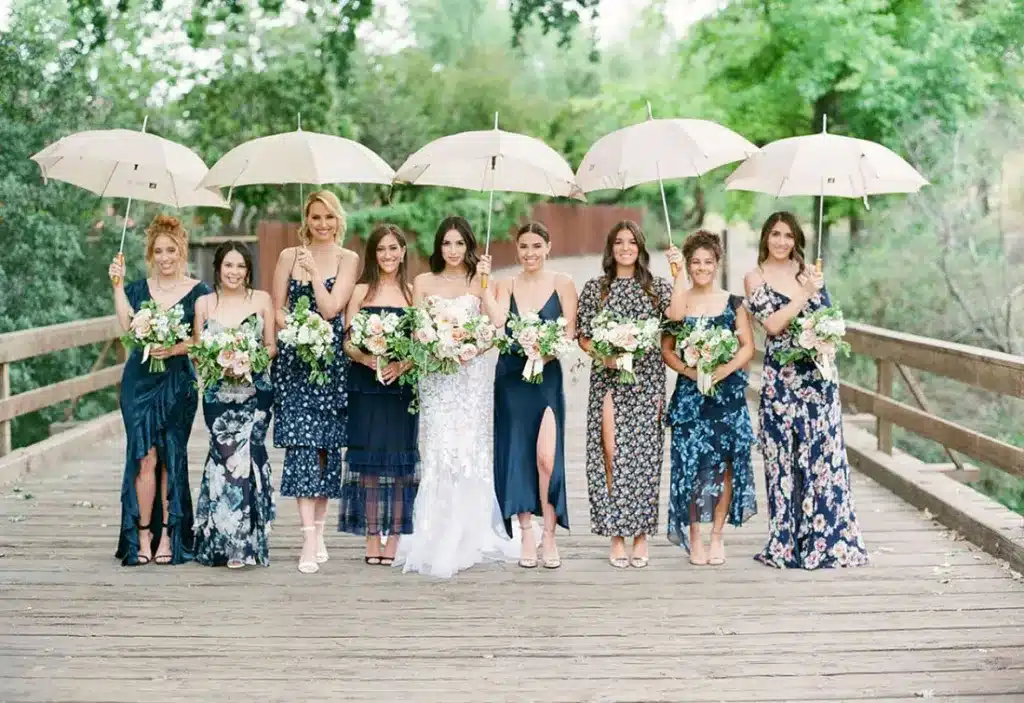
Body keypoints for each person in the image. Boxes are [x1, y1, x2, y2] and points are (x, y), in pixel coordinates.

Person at [743, 211, 868, 569]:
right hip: (782, 381)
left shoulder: (810, 274)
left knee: (822, 460)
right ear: (766, 237)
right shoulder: (755, 278)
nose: (782, 241)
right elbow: (773, 325)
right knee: (782, 460)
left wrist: (824, 334)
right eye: (775, 234)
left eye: (788, 236)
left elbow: (829, 322)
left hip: (819, 380)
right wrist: (804, 294)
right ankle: (786, 542)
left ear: (797, 240)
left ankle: (827, 540)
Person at [395, 216, 516, 577]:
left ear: (469, 246)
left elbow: (496, 325)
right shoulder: (423, 282)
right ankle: (435, 531)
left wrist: (483, 284)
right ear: (438, 246)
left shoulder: (479, 281)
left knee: (468, 450)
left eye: (459, 244)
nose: (452, 250)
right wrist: (437, 346)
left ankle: (472, 531)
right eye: (446, 243)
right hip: (435, 378)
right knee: (438, 449)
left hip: (470, 379)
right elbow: (417, 330)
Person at [108, 215, 211, 566]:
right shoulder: (138, 289)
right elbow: (126, 326)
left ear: (182, 250)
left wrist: (176, 347)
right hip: (139, 382)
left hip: (178, 383)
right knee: (145, 457)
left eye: (171, 250)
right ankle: (142, 534)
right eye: (159, 251)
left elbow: (202, 341)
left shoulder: (200, 291)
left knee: (169, 456)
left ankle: (170, 534)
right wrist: (118, 286)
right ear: (151, 254)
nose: (165, 257)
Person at [576, 220, 674, 569]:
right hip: (608, 379)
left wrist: (680, 275)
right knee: (611, 451)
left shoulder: (657, 288)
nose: (625, 248)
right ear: (611, 248)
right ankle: (617, 534)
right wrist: (608, 356)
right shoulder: (596, 289)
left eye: (632, 242)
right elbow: (583, 335)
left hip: (647, 381)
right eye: (619, 242)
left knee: (645, 457)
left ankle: (641, 535)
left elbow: (676, 322)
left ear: (641, 247)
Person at [479, 221, 576, 569]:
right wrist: (484, 284)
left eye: (537, 245)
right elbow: (497, 322)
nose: (530, 253)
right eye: (524, 247)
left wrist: (542, 352)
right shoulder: (506, 283)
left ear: (547, 246)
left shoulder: (563, 283)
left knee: (547, 458)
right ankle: (527, 533)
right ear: (516, 249)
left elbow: (571, 332)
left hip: (546, 378)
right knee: (517, 453)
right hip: (511, 380)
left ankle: (549, 533)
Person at [271, 190, 358, 574]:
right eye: (315, 217)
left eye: (329, 217)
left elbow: (330, 309)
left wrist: (313, 274)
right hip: (295, 366)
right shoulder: (288, 256)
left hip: (330, 368)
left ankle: (319, 530)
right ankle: (307, 536)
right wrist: (295, 328)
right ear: (306, 221)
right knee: (301, 450)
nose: (322, 224)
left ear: (338, 220)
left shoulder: (348, 259)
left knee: (324, 452)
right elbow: (277, 309)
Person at [662, 231, 757, 566]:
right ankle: (695, 537)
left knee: (726, 467)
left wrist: (722, 370)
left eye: (708, 262)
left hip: (727, 396)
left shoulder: (733, 303)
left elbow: (748, 346)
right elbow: (668, 349)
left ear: (718, 264)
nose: (702, 268)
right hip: (691, 398)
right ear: (688, 265)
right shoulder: (681, 301)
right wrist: (691, 372)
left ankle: (717, 535)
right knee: (689, 467)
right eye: (695, 262)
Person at [192, 241, 276, 568]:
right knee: (224, 460)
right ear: (218, 268)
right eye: (229, 265)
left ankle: (247, 542)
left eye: (241, 266)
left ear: (248, 270)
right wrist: (220, 365)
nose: (234, 272)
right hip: (217, 394)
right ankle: (224, 540)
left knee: (249, 458)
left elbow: (270, 346)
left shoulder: (262, 300)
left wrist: (247, 360)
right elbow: (199, 354)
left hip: (255, 390)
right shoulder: (204, 304)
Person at [339, 224, 419, 566]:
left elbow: (421, 344)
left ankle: (395, 536)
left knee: (400, 463)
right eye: (381, 249)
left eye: (393, 248)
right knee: (369, 462)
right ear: (374, 254)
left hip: (401, 387)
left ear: (403, 252)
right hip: (365, 384)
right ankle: (372, 534)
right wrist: (365, 357)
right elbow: (346, 342)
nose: (388, 255)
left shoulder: (414, 293)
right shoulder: (361, 292)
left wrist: (402, 365)